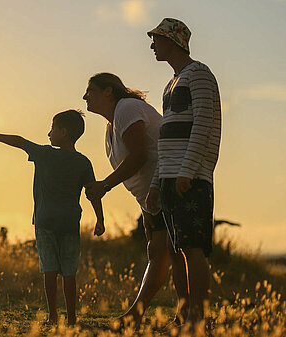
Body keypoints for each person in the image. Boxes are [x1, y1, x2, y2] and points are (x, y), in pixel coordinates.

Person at [0, 109, 105, 325]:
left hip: (45, 222)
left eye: (52, 129)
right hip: (70, 223)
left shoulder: (45, 153)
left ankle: (53, 316)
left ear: (63, 132)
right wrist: (100, 219)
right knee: (69, 272)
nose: (49, 134)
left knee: (49, 270)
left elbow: (18, 141)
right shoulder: (83, 162)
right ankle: (71, 318)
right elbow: (93, 192)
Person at [82, 73, 185, 328]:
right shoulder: (112, 124)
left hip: (168, 185)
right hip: (152, 195)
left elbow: (139, 156)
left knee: (175, 251)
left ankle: (183, 317)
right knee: (159, 252)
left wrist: (105, 185)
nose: (85, 96)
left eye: (91, 90)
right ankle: (144, 315)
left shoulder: (126, 108)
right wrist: (145, 204)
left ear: (109, 92)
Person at [145, 18, 222, 329]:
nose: (152, 45)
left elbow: (204, 126)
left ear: (174, 42)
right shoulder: (172, 83)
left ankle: (197, 319)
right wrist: (155, 183)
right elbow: (167, 139)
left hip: (190, 177)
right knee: (176, 251)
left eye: (157, 39)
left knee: (192, 248)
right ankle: (184, 315)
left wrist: (188, 171)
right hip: (169, 178)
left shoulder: (200, 74)